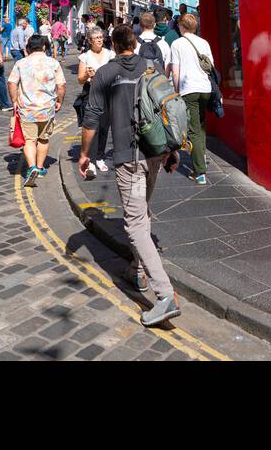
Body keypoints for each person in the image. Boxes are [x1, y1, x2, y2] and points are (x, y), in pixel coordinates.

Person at [79, 25, 181, 327]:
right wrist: (172, 150)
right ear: (134, 43)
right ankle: (137, 271)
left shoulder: (106, 74)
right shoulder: (152, 67)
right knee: (142, 212)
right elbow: (168, 109)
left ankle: (165, 296)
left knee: (135, 223)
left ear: (112, 44)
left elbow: (91, 117)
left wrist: (86, 155)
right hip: (155, 154)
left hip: (129, 157)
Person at [8, 35, 66, 186]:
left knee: (29, 140)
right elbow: (61, 86)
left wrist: (14, 100)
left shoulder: (21, 63)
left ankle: (32, 166)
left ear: (29, 47)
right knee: (43, 139)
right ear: (45, 47)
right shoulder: (53, 63)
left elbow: (12, 82)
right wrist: (59, 101)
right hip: (47, 108)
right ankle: (40, 168)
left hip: (27, 108)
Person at [169, 13, 215, 185]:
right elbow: (211, 66)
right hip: (205, 88)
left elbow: (175, 71)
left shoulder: (177, 44)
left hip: (189, 89)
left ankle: (199, 171)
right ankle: (200, 154)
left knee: (193, 130)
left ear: (181, 26)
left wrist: (176, 91)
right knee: (201, 125)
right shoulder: (204, 42)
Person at [77, 26, 115, 177]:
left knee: (105, 126)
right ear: (90, 41)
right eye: (96, 38)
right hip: (91, 94)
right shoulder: (85, 57)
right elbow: (80, 80)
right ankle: (91, 160)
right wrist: (86, 74)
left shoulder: (110, 54)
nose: (100, 40)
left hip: (107, 94)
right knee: (93, 127)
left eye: (101, 37)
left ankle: (99, 157)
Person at [135, 12, 171, 76]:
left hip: (140, 83)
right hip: (159, 83)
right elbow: (167, 67)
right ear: (154, 25)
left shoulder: (134, 44)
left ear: (140, 25)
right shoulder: (163, 44)